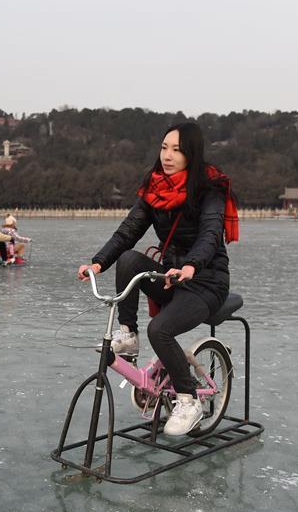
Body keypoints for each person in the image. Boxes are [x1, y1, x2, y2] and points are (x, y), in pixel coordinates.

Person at [76, 122, 239, 436]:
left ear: (191, 153)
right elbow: (127, 232)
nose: (167, 155)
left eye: (177, 150)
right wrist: (97, 264)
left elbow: (209, 233)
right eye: (164, 147)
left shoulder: (210, 188)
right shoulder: (155, 189)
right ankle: (129, 334)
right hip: (172, 278)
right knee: (128, 259)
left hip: (206, 282)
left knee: (160, 329)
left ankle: (189, 400)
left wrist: (192, 265)